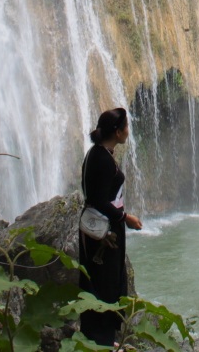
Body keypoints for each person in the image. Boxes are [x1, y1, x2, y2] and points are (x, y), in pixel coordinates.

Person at [79, 106, 143, 347]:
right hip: (103, 232)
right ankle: (101, 340)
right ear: (117, 132)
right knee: (105, 283)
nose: (128, 132)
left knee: (103, 280)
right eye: (126, 127)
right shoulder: (102, 159)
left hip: (100, 226)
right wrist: (125, 217)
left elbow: (95, 195)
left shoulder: (96, 154)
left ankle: (102, 338)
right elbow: (99, 199)